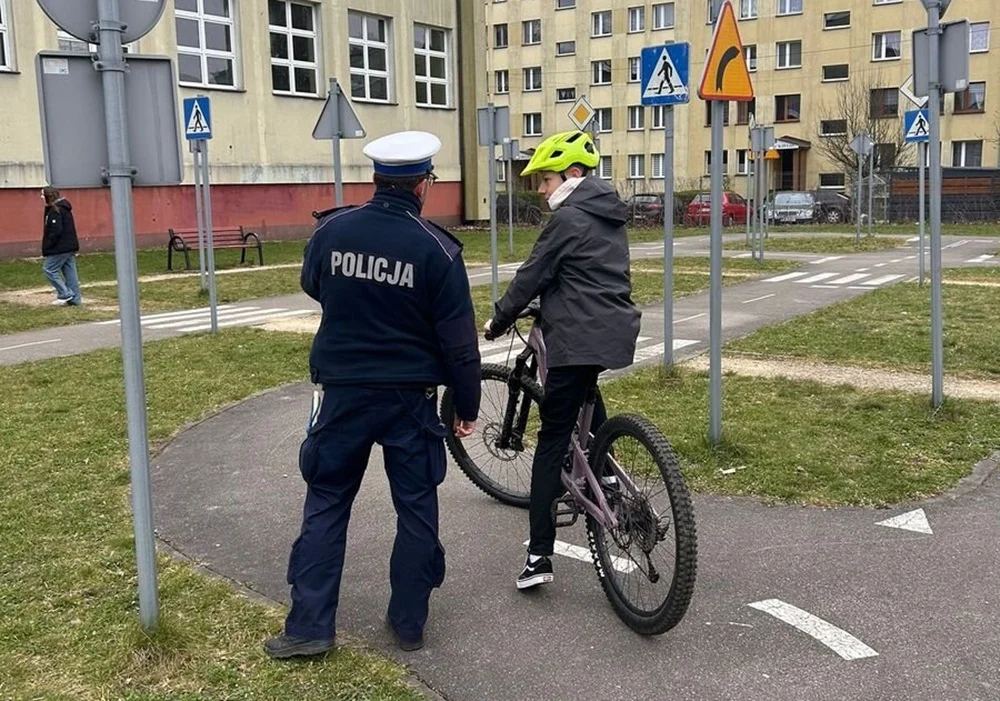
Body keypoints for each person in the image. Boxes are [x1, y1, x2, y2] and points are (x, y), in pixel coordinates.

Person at [264, 131, 481, 659]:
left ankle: (310, 627)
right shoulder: (436, 249)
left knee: (327, 499)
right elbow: (459, 342)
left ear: (376, 180)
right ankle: (408, 624)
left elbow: (314, 285)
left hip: (342, 393)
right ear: (422, 185)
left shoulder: (332, 231)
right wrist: (468, 406)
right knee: (416, 507)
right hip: (410, 399)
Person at [483, 130, 641, 590]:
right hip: (614, 329)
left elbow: (532, 275)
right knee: (587, 400)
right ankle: (608, 479)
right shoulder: (609, 214)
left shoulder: (568, 219)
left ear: (572, 174)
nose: (539, 189)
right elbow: (587, 272)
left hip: (575, 335)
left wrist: (497, 321)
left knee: (551, 440)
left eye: (545, 180)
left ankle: (538, 557)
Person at [41, 187, 82, 306]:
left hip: (60, 247)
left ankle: (65, 293)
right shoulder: (64, 208)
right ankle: (75, 299)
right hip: (69, 246)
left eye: (43, 195)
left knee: (49, 269)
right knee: (70, 272)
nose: (42, 197)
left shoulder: (56, 210)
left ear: (48, 196)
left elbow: (56, 231)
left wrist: (49, 245)